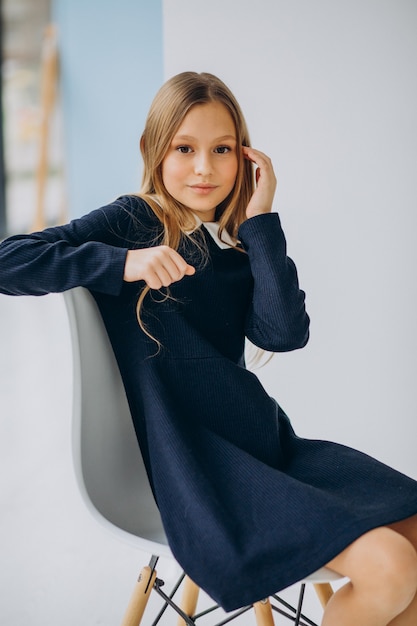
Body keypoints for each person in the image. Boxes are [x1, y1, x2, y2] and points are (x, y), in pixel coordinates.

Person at [1, 71, 417, 625]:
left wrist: (262, 221)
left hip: (267, 448)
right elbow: (9, 260)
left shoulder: (237, 242)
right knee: (389, 566)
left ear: (244, 158)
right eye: (184, 148)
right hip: (201, 469)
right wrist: (123, 263)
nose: (204, 167)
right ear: (154, 150)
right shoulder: (132, 222)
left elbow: (283, 334)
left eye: (222, 149)